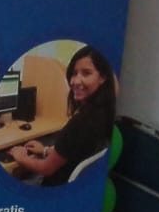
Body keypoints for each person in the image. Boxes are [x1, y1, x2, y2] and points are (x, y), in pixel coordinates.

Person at [9, 45, 116, 186]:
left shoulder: (82, 122)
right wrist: (45, 150)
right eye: (74, 73)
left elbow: (46, 169)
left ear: (102, 77)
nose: (75, 81)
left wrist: (21, 157)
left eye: (86, 73)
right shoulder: (104, 113)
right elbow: (72, 151)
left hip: (54, 188)